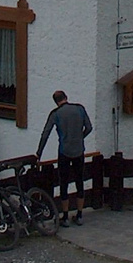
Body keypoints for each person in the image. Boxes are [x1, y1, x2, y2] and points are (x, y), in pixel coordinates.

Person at [35, 89, 93, 226]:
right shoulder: (80, 109)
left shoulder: (55, 114)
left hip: (64, 152)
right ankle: (79, 215)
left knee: (64, 183)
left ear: (56, 102)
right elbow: (89, 128)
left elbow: (45, 134)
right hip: (79, 150)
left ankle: (65, 216)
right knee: (79, 181)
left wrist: (38, 153)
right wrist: (79, 138)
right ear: (66, 97)